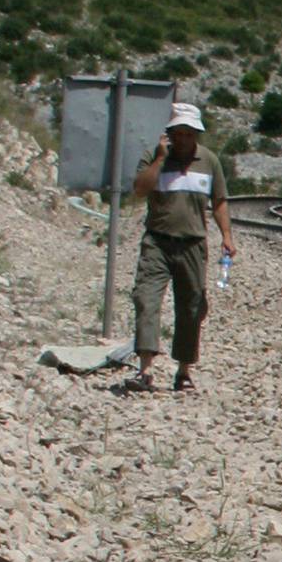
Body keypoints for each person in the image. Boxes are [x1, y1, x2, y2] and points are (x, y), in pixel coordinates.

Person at [122, 101, 236, 397]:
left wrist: (227, 236)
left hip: (193, 244)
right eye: (178, 133)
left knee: (192, 306)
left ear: (196, 135)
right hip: (157, 241)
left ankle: (184, 370)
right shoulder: (154, 157)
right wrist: (160, 160)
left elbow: (220, 201)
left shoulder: (209, 162)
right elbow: (140, 188)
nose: (183, 139)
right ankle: (145, 368)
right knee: (146, 298)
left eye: (189, 133)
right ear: (170, 134)